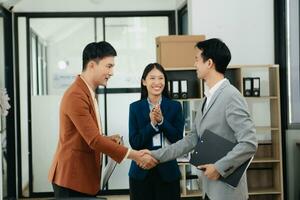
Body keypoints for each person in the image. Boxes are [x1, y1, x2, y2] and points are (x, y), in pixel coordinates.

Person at [143, 38, 257, 200]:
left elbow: (249, 143)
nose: (195, 64)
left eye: (197, 59)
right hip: (209, 189)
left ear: (209, 63)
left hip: (227, 192)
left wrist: (219, 167)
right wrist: (155, 155)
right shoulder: (206, 99)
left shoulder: (231, 96)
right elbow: (191, 140)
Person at [48, 41, 157, 198]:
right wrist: (135, 155)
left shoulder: (88, 91)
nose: (112, 72)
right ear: (92, 65)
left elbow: (86, 135)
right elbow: (93, 140)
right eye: (108, 66)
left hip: (81, 176)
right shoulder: (76, 95)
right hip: (71, 178)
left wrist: (106, 139)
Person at [128, 63, 184, 200]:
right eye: (152, 78)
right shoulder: (135, 108)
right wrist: (152, 125)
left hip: (168, 171)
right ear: (144, 81)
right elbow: (135, 143)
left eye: (161, 78)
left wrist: (162, 122)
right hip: (141, 172)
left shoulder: (175, 107)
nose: (157, 82)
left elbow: (178, 139)